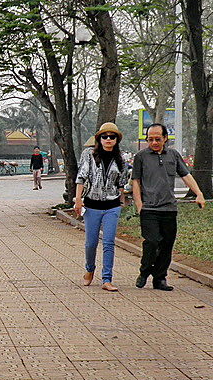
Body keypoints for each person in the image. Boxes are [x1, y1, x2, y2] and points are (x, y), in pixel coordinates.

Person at [132, 123, 206, 291]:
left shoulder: (173, 155)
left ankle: (160, 279)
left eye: (158, 139)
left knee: (166, 245)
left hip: (169, 209)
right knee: (151, 242)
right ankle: (145, 271)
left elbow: (186, 175)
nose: (154, 142)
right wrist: (139, 204)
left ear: (165, 138)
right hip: (149, 209)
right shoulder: (141, 157)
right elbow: (136, 181)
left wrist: (199, 193)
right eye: (150, 139)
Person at [73, 123, 128, 292]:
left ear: (116, 140)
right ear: (99, 139)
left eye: (112, 137)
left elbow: (121, 183)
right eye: (105, 136)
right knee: (91, 243)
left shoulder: (121, 159)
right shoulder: (88, 155)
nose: (108, 139)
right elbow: (81, 177)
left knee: (109, 242)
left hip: (112, 206)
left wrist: (122, 199)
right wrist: (78, 200)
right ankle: (89, 269)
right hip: (92, 205)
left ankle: (107, 278)